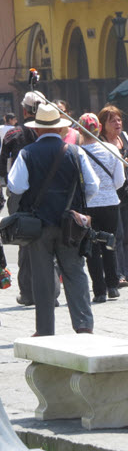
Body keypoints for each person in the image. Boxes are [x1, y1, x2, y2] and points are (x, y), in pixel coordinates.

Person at [7, 103, 100, 336]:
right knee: (75, 273)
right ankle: (83, 325)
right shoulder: (76, 152)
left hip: (38, 225)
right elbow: (92, 186)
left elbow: (16, 186)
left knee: (43, 278)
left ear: (37, 130)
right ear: (61, 130)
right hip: (71, 224)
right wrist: (74, 207)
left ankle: (45, 329)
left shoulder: (27, 153)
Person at [0, 91, 46, 307]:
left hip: (20, 195)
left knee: (23, 239)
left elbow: (2, 168)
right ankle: (50, 290)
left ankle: (27, 292)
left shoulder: (13, 134)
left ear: (25, 110)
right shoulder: (50, 132)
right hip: (48, 193)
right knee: (50, 238)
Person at [79, 113, 125, 303]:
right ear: (98, 128)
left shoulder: (78, 151)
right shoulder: (111, 149)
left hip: (89, 205)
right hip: (110, 203)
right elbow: (120, 180)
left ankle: (99, 290)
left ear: (80, 129)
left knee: (92, 248)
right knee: (109, 244)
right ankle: (112, 285)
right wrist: (108, 190)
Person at [98, 105, 128, 287]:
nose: (117, 123)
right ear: (103, 124)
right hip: (111, 196)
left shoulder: (124, 137)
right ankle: (116, 275)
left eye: (118, 119)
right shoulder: (100, 142)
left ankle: (127, 273)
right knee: (116, 236)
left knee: (127, 238)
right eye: (112, 120)